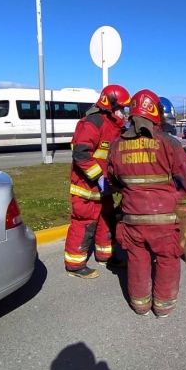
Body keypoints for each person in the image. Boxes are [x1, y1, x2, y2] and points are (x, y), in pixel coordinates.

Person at [106, 89, 186, 317]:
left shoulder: (117, 145)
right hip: (165, 219)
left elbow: (112, 179)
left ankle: (140, 305)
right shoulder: (170, 143)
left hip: (132, 218)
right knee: (167, 259)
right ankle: (164, 306)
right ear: (157, 113)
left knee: (137, 259)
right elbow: (185, 179)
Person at [64, 84, 130, 279]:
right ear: (110, 105)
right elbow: (81, 154)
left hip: (104, 188)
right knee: (84, 223)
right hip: (86, 187)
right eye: (121, 108)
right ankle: (75, 265)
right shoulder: (93, 123)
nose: (124, 112)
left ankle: (106, 255)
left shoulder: (113, 125)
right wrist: (98, 177)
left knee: (107, 220)